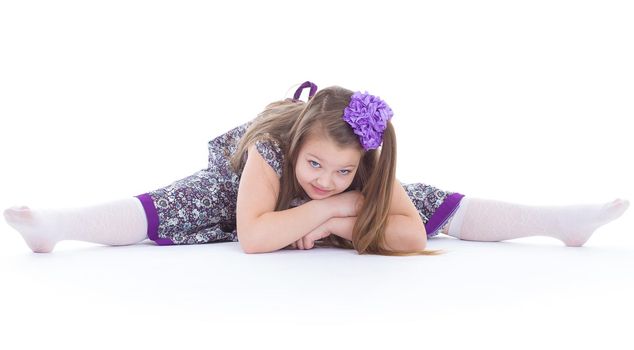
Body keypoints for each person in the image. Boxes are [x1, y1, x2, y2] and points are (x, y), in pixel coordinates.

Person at [3, 81, 630, 256]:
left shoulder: (359, 168)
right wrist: (331, 210)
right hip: (237, 196)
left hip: (298, 209)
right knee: (163, 207)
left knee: (441, 205)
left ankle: (561, 222)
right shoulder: (272, 152)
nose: (328, 179)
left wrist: (328, 218)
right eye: (317, 166)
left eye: (342, 173)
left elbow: (413, 235)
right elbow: (254, 237)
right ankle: (54, 225)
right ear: (298, 144)